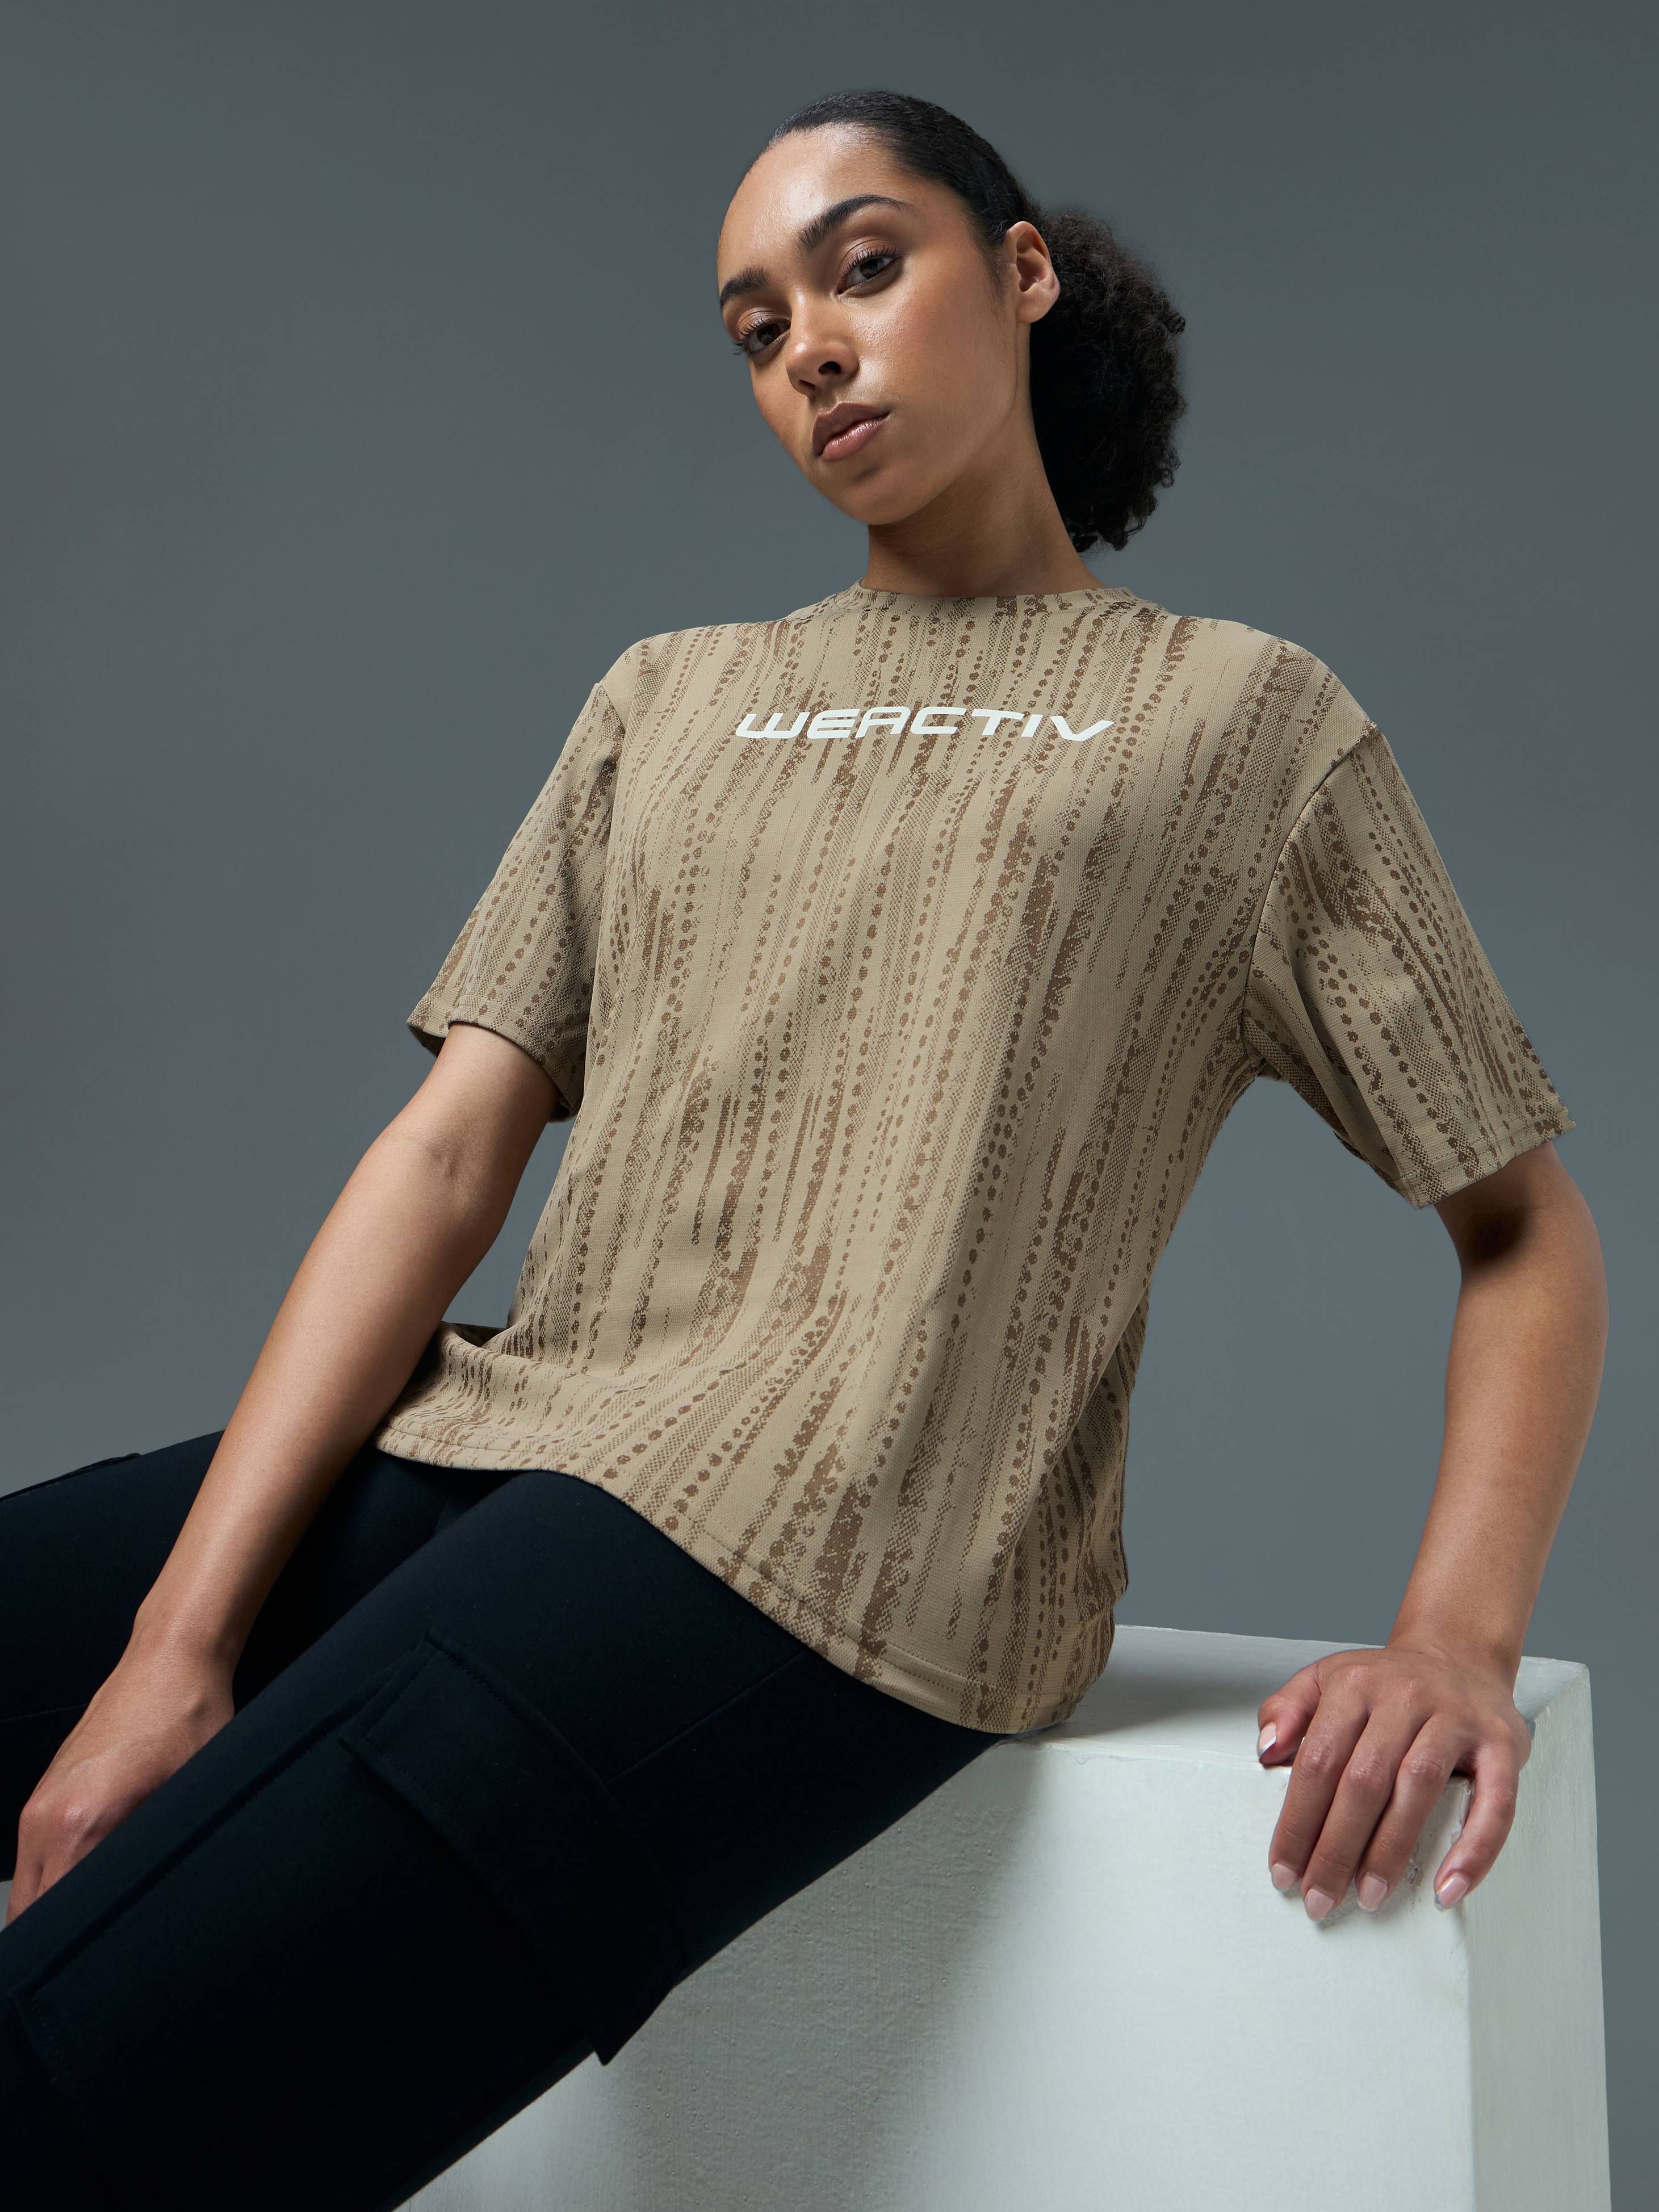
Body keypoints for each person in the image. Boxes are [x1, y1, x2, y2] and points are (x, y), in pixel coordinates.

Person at [1, 85, 1605, 2212]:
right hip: (516, 1439)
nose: (813, 352)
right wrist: (173, 1644)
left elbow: (1521, 1225)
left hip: (845, 1555)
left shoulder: (1239, 722)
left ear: (1018, 277)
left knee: (73, 2089)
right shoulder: (662, 699)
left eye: (864, 270)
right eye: (758, 330)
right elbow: (447, 1159)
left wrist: (1457, 1637)